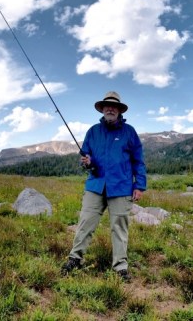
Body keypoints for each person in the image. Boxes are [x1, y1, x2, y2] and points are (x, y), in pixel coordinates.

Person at [61, 91, 147, 281]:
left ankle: (120, 268)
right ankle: (75, 259)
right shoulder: (93, 131)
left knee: (119, 228)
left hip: (122, 187)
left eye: (113, 106)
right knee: (85, 223)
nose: (110, 108)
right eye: (107, 106)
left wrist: (139, 186)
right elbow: (85, 158)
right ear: (102, 109)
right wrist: (86, 161)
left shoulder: (129, 132)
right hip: (96, 185)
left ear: (119, 110)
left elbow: (138, 161)